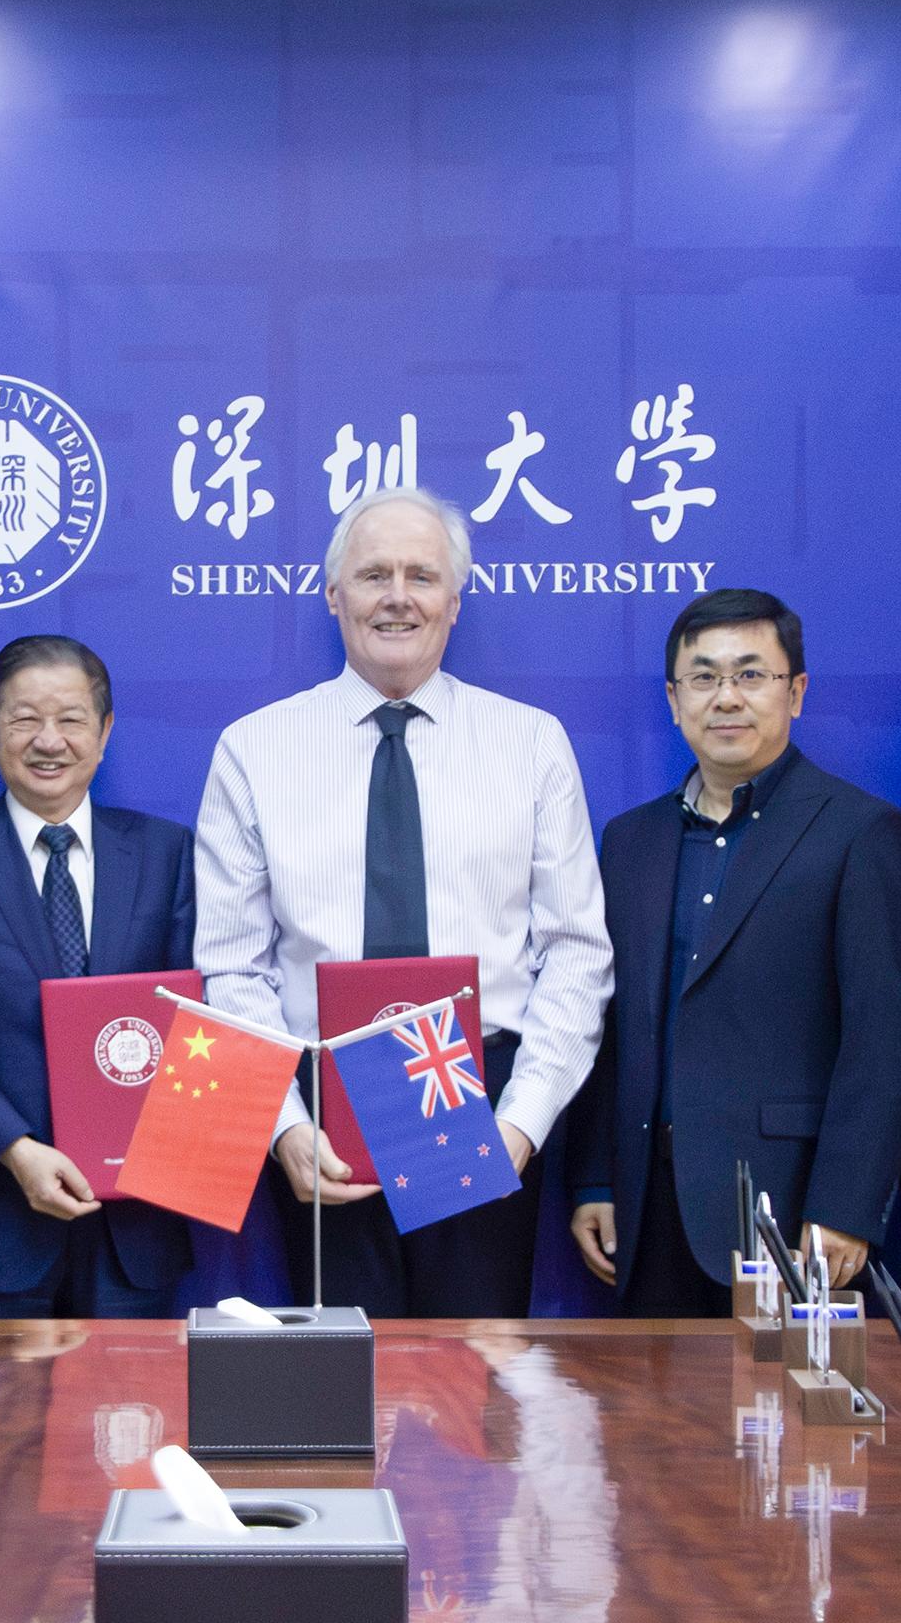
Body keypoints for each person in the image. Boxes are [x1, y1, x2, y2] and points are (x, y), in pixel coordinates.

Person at [196, 487, 614, 1317]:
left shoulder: (531, 743)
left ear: (455, 601)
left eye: (422, 576)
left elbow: (576, 954)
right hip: (321, 1104)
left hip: (485, 1092)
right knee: (340, 1377)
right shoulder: (253, 749)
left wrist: (522, 1124)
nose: (397, 597)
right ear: (333, 595)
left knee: (472, 1380)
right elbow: (232, 966)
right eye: (373, 575)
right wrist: (283, 1127)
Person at [567, 588, 901, 1316]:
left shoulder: (859, 831)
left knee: (779, 1397)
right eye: (703, 677)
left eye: (751, 674)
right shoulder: (630, 841)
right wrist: (597, 1178)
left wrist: (846, 1206)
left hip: (789, 1210)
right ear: (674, 700)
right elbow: (608, 1023)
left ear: (796, 692)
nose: (726, 697)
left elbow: (885, 1039)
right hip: (646, 1208)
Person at [0, 636, 197, 1318]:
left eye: (71, 719)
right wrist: (17, 1151)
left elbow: (199, 1022)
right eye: (25, 719)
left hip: (134, 1231)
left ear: (104, 732)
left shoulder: (167, 854)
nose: (48, 740)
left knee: (133, 1394)